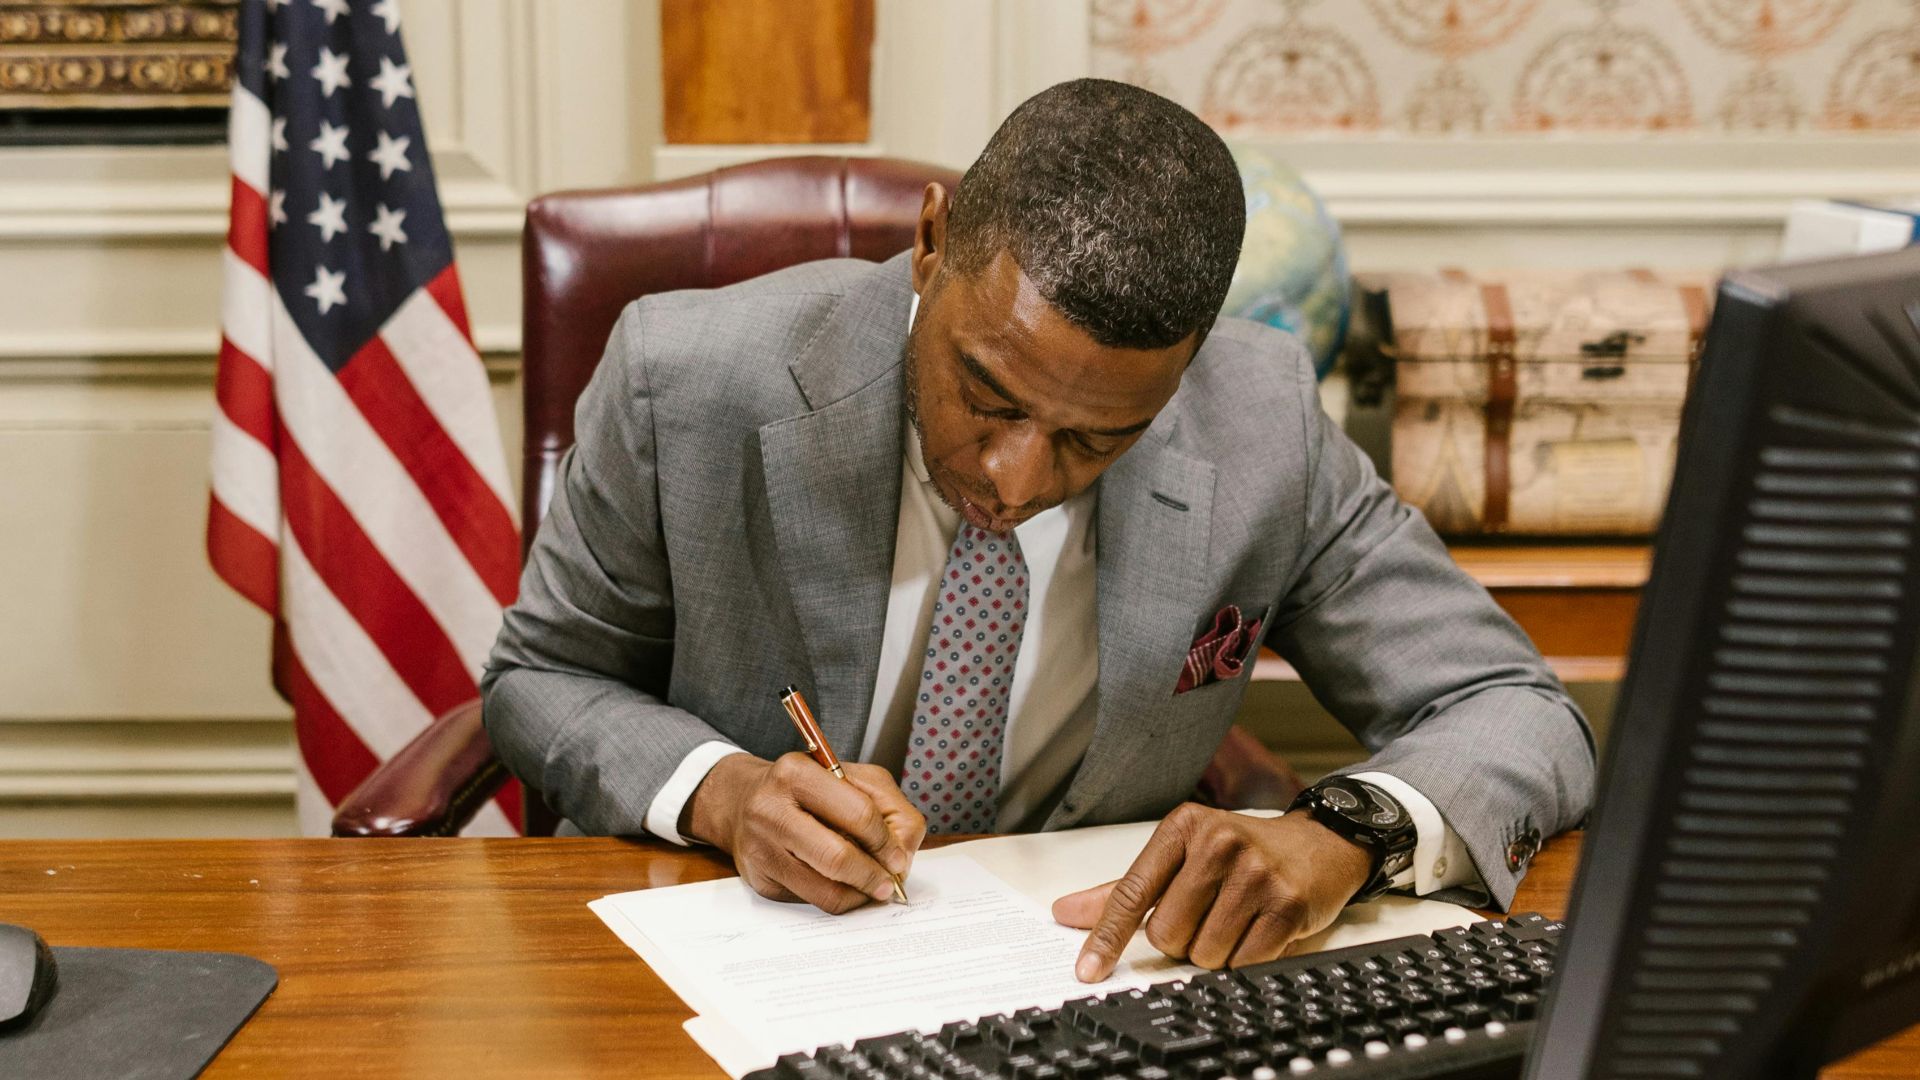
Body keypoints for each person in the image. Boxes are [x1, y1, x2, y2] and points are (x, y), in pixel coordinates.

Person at [483, 79, 1593, 982]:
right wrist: (727, 794)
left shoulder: (1261, 424)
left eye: (1095, 440)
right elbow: (542, 676)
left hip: (1077, 979)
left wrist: (1344, 832)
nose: (1015, 481)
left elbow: (1514, 710)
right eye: (991, 395)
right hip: (732, 961)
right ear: (932, 241)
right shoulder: (685, 380)